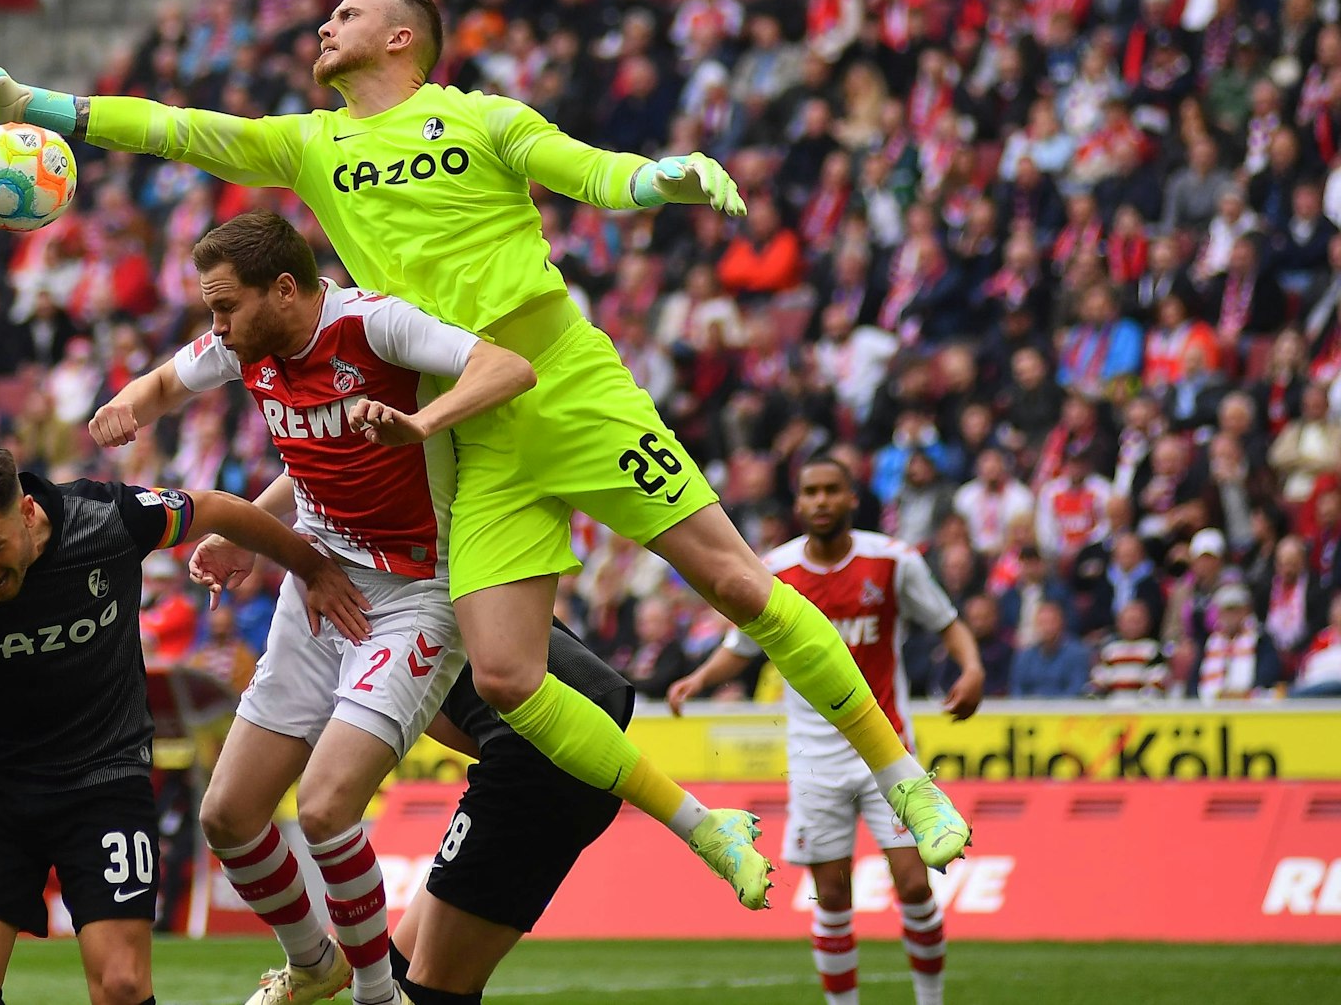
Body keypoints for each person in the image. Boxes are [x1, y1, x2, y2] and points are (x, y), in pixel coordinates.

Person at [0, 0, 969, 884]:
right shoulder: (310, 145)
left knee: (738, 583)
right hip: (463, 429)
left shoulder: (481, 118)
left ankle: (904, 780)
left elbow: (587, 171)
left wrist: (657, 179)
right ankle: (703, 827)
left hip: (565, 384)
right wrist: (27, 105)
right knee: (506, 677)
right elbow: (175, 129)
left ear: (401, 37)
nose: (324, 25)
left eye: (347, 12)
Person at [93, 213, 710, 1004]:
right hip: (317, 580)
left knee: (325, 808)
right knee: (228, 814)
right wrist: (127, 406)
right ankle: (314, 963)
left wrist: (420, 424)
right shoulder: (245, 345)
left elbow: (508, 367)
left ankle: (377, 994)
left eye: (225, 307)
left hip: (414, 593)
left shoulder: (376, 325)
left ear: (284, 290)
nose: (215, 326)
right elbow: (168, 387)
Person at [0, 443, 370, 1005]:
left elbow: (214, 507)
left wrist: (312, 569)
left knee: (121, 985)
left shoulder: (109, 517)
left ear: (28, 511)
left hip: (104, 779)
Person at [670, 456, 985, 1005]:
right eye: (810, 491)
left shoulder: (892, 562)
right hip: (814, 760)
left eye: (831, 490)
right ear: (798, 503)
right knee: (832, 898)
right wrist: (698, 679)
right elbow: (742, 646)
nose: (821, 500)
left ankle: (930, 1001)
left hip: (887, 748)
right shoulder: (776, 569)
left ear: (852, 498)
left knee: (915, 883)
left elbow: (946, 622)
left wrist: (973, 668)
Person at [386, 622, 631, 1005]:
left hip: (534, 764)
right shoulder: (469, 592)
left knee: (430, 990)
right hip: (574, 751)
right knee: (398, 975)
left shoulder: (383, 621)